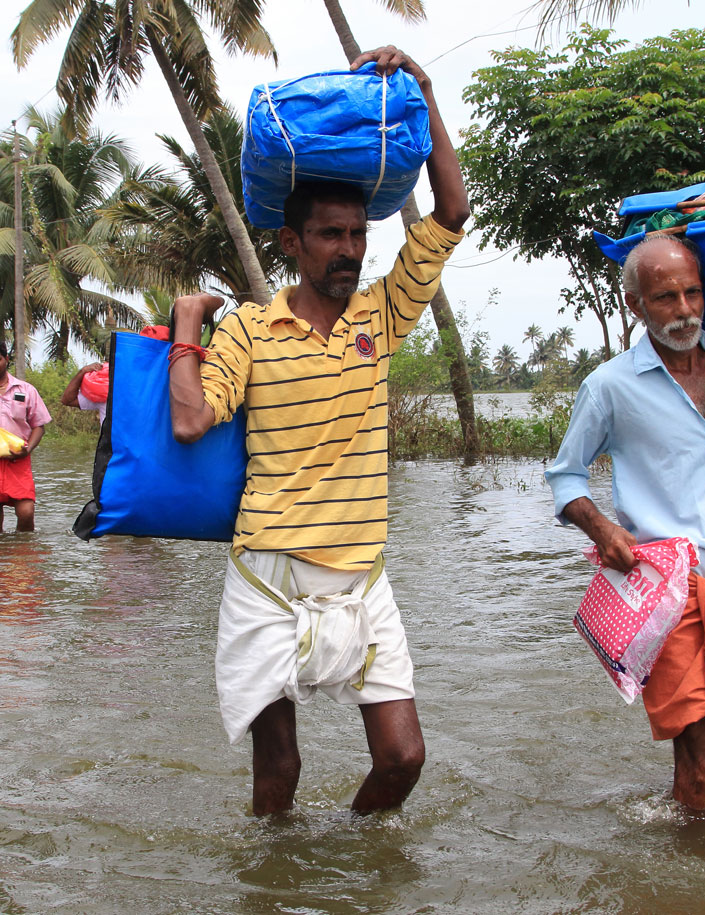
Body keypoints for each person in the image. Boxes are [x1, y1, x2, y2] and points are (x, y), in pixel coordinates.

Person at [167, 46, 470, 816]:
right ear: (290, 244)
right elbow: (190, 418)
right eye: (330, 235)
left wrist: (426, 90)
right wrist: (188, 325)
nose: (349, 250)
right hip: (271, 575)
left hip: (362, 575)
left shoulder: (381, 314)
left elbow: (452, 212)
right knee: (280, 768)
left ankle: (347, 864)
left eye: (356, 235)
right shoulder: (249, 332)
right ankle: (276, 883)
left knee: (403, 757)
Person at [545, 233, 705, 812]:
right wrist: (603, 529)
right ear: (635, 305)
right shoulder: (610, 387)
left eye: (692, 293)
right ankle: (684, 882)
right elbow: (565, 476)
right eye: (665, 298)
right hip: (670, 597)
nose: (684, 311)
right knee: (703, 763)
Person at [0, 339, 52, 532]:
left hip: (18, 460)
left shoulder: (25, 390)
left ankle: (24, 551)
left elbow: (39, 426)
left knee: (26, 511)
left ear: (6, 359)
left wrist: (28, 449)